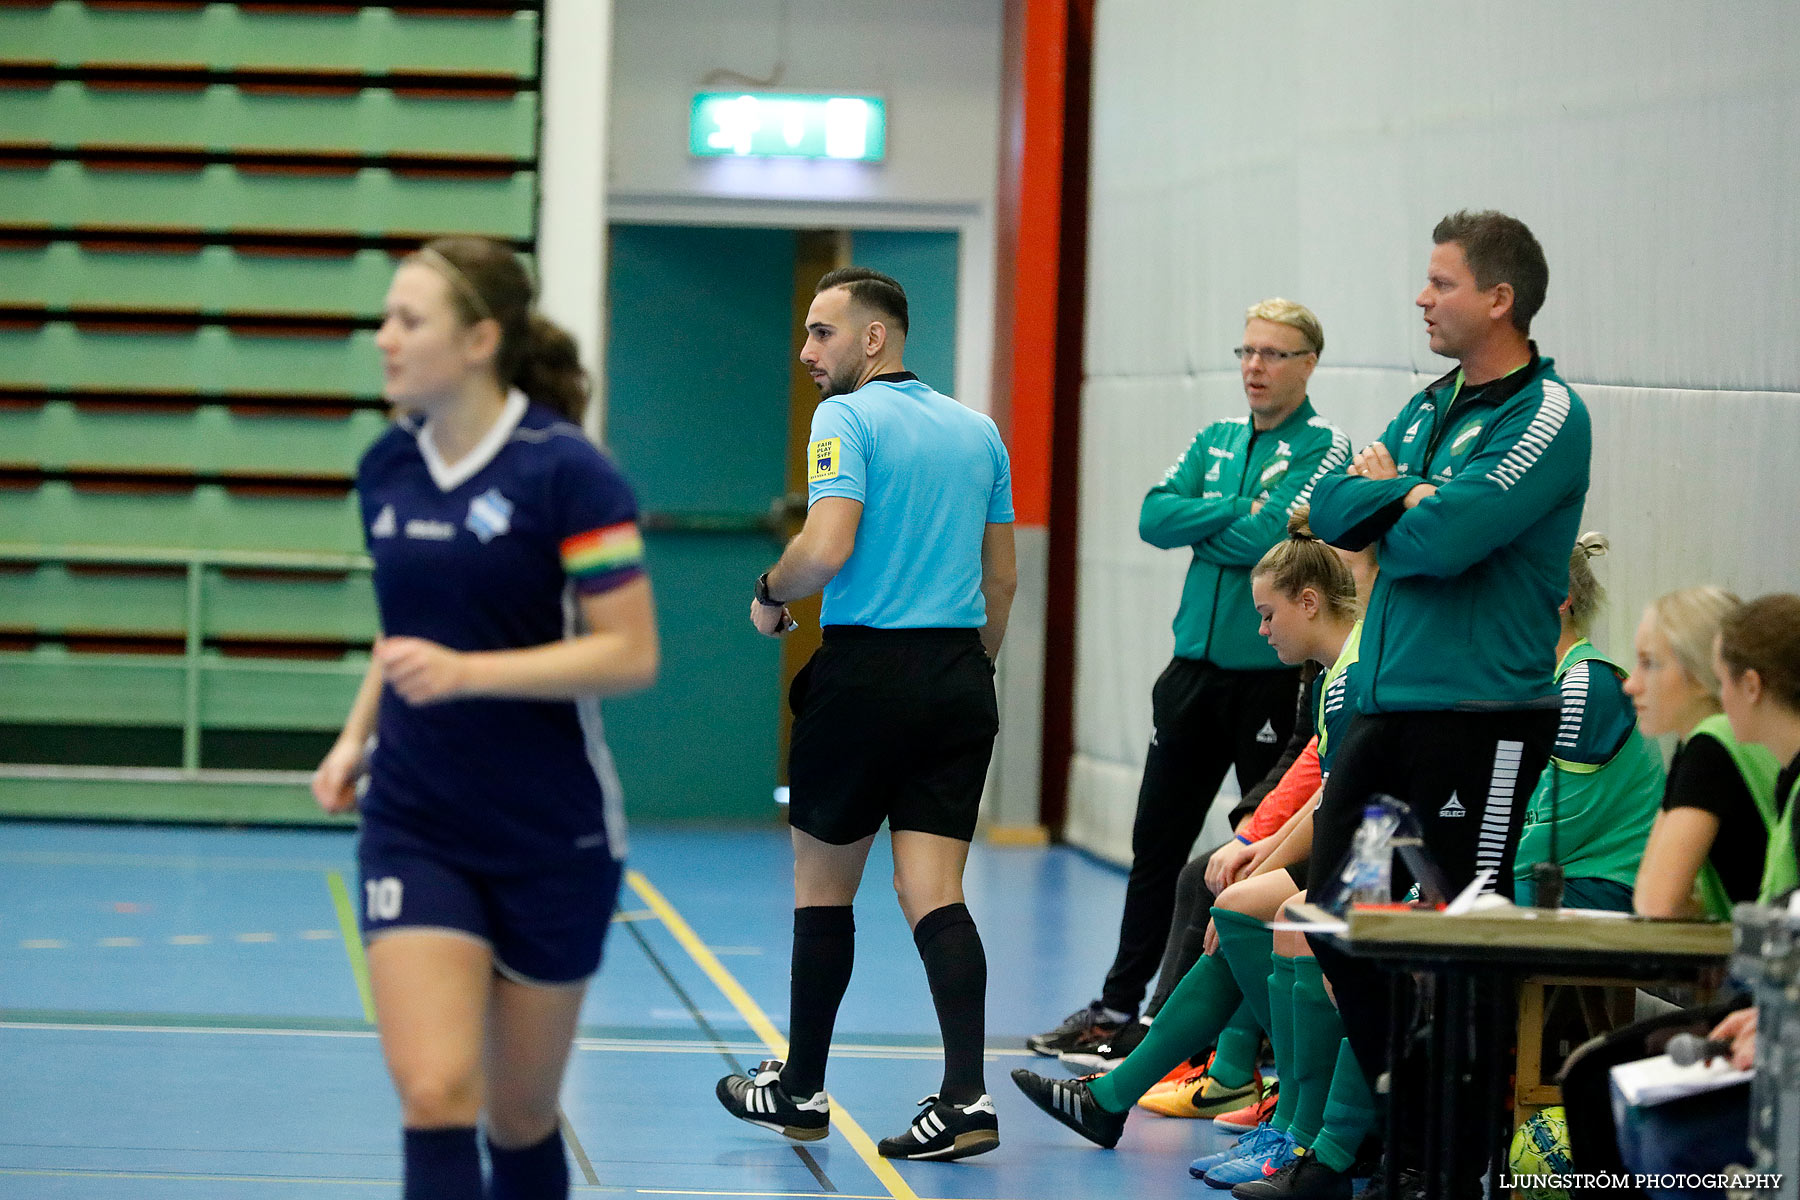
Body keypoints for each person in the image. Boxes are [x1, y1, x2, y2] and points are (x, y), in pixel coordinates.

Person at [310, 236, 660, 1200]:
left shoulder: (569, 475)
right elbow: (406, 638)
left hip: (554, 833)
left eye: (407, 320)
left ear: (479, 340)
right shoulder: (386, 467)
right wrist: (355, 738)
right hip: (417, 820)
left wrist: (470, 674)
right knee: (435, 1090)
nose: (383, 338)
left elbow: (630, 653)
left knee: (518, 1118)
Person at [1305, 210, 1592, 1197]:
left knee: (1466, 933)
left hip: (1482, 718)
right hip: (1386, 709)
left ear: (1498, 300)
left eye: (1441, 283)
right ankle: (1408, 1103)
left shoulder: (1548, 414)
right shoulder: (1430, 406)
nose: (1421, 298)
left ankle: (1458, 1159)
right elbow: (1333, 511)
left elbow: (1446, 542)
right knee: (1332, 915)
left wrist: (1403, 503)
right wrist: (1404, 496)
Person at [711, 267, 1017, 1161]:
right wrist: (970, 669)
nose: (807, 352)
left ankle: (800, 1090)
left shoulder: (844, 418)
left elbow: (827, 544)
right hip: (961, 673)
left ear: (873, 338)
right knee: (934, 892)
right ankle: (966, 1098)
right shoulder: (979, 430)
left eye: (821, 333)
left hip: (867, 672)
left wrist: (770, 591)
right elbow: (1001, 578)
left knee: (823, 889)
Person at [1030, 299, 1351, 1064]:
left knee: (1256, 842)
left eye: (1274, 354)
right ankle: (1116, 1008)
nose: (1255, 367)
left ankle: (1234, 1033)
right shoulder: (1213, 439)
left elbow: (1265, 541)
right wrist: (1235, 512)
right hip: (1191, 675)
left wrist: (1218, 519)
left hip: (1266, 684)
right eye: (1246, 352)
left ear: (1308, 363)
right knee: (1156, 844)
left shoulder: (1326, 448)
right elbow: (1152, 516)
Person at [1010, 513, 1369, 1185]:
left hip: (1372, 860)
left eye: (1268, 614)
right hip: (1346, 845)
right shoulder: (1330, 677)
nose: (1261, 629)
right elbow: (1326, 787)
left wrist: (1258, 865)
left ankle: (1296, 1120)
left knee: (1244, 914)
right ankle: (1133, 1100)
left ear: (1310, 602)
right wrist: (1256, 856)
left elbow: (1342, 798)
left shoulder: (1352, 672)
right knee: (1230, 904)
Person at [1511, 533, 1665, 911]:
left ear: (1560, 597)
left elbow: (1555, 825)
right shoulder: (1536, 685)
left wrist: (1460, 875)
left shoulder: (1586, 684)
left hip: (1602, 886)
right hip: (1555, 877)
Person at [1628, 588, 1781, 918]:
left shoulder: (1712, 746)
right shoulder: (1712, 741)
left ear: (1701, 673)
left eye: (1649, 664)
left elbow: (1656, 902)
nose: (1631, 684)